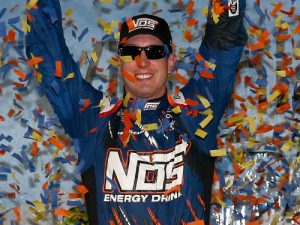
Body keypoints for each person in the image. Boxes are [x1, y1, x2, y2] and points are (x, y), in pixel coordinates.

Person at [26, 0, 247, 224]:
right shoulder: (93, 119)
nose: (142, 62)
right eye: (131, 52)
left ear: (170, 62)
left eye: (154, 51)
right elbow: (46, 54)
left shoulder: (195, 114)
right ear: (120, 61)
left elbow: (224, 40)